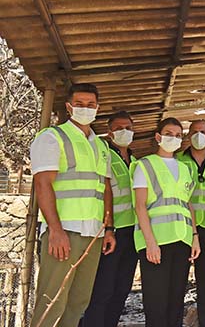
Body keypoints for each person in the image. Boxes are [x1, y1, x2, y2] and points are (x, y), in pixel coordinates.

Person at [30, 83, 116, 327]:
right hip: (65, 232)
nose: (85, 109)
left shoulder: (100, 146)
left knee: (78, 302)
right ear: (69, 107)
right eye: (79, 104)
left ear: (97, 108)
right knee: (51, 302)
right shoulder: (51, 137)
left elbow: (105, 188)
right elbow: (42, 185)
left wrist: (108, 229)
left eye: (91, 105)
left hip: (93, 235)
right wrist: (55, 231)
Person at [131, 117, 200, 327]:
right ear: (158, 137)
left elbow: (187, 205)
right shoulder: (145, 165)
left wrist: (195, 237)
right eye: (169, 134)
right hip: (156, 244)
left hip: (182, 239)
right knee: (156, 302)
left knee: (176, 300)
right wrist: (150, 242)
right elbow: (140, 206)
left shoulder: (185, 169)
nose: (174, 138)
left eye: (178, 135)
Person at [82, 111, 138, 327]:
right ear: (109, 132)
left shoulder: (134, 161)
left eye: (128, 128)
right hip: (111, 232)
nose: (124, 132)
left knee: (122, 288)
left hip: (132, 233)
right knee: (102, 289)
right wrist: (109, 228)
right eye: (119, 128)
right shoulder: (104, 154)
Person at [176, 120, 205, 327]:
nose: (198, 136)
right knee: (177, 282)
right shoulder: (177, 161)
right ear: (187, 136)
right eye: (194, 132)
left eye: (202, 132)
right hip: (182, 228)